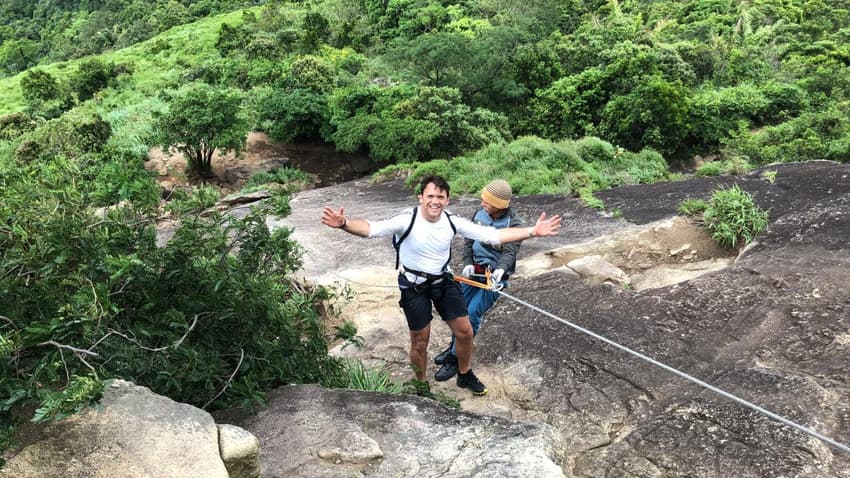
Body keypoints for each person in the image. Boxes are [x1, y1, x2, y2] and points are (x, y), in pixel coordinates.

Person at [321, 175, 561, 396]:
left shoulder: (451, 221)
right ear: (421, 198)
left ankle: (464, 374)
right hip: (414, 285)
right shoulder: (407, 219)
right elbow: (371, 229)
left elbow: (492, 236)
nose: (435, 201)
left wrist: (532, 231)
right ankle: (421, 384)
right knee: (420, 340)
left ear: (447, 200)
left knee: (465, 331)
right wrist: (344, 223)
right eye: (430, 196)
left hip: (443, 281)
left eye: (440, 197)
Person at [433, 179, 523, 382]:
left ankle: (455, 360)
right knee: (458, 312)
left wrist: (501, 270)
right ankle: (453, 349)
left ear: (500, 205)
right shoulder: (479, 214)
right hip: (473, 272)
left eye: (487, 202)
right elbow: (469, 240)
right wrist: (467, 262)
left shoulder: (515, 224)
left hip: (492, 278)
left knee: (472, 315)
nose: (483, 204)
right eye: (483, 200)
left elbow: (510, 252)